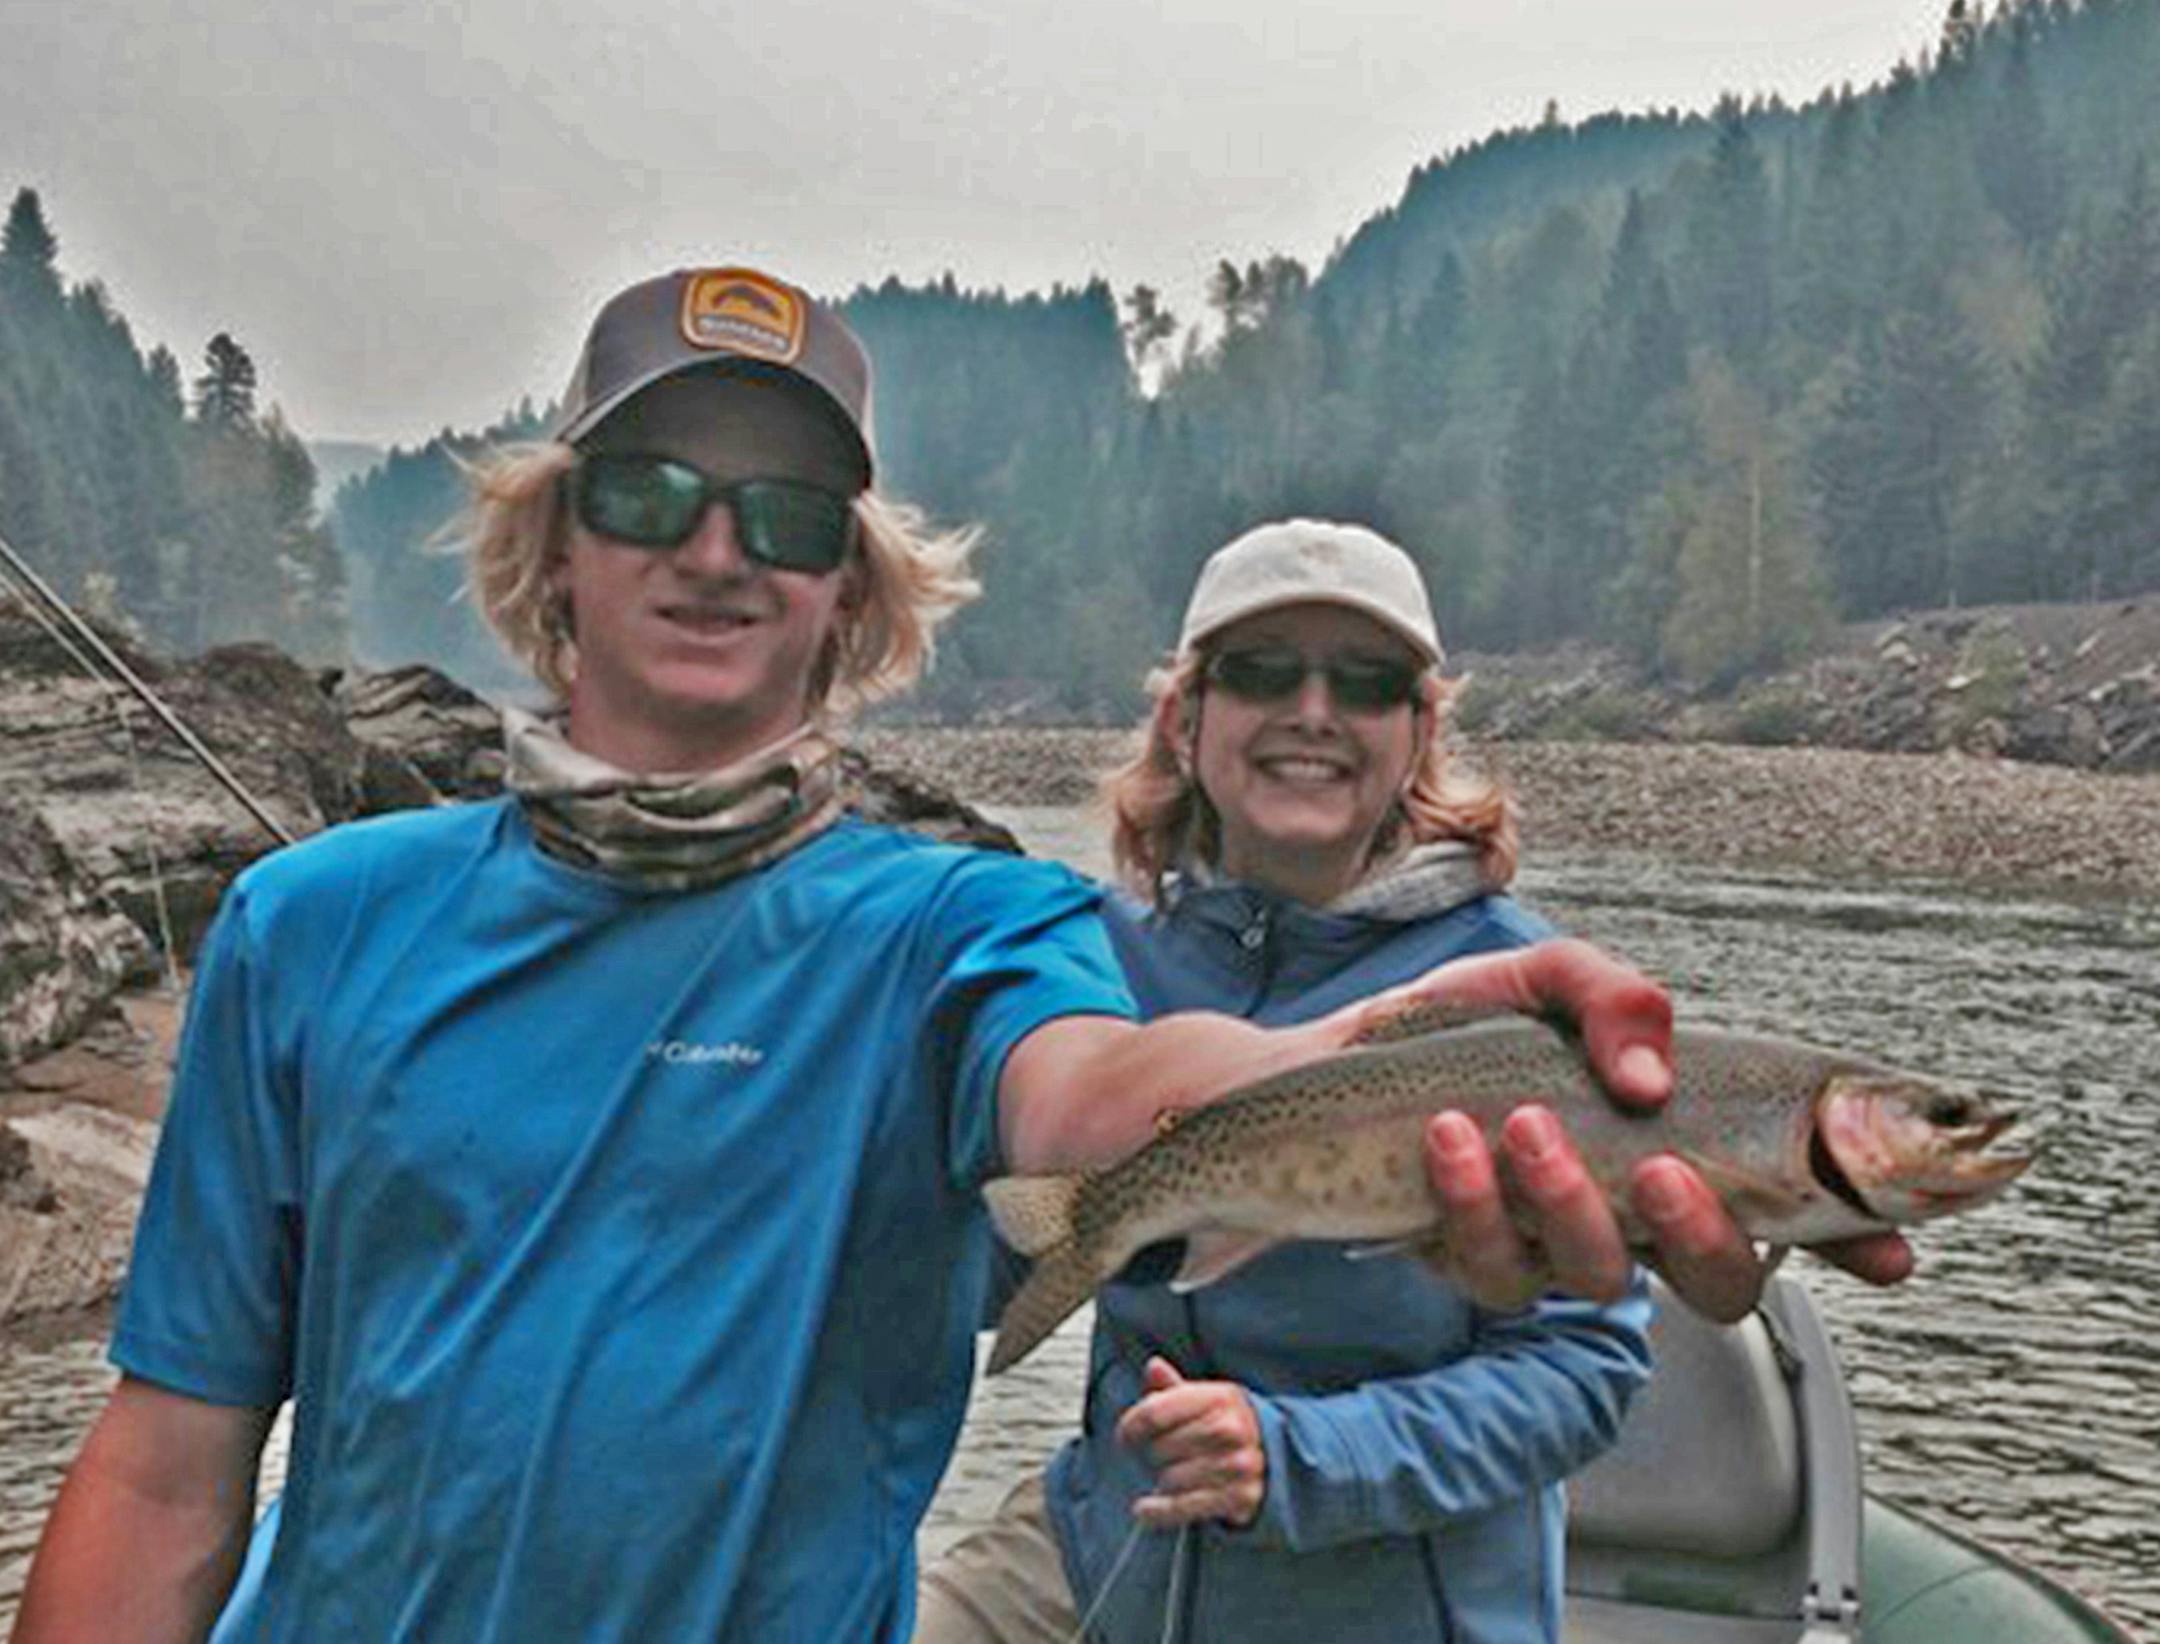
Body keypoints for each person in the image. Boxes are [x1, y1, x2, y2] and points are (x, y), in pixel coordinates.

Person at [11, 267, 1861, 1644]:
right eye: (652, 489)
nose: (719, 546)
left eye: (790, 514)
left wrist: (1374, 1061)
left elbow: (1109, 1088)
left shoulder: (972, 924)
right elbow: (173, 1459)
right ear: (553, 546)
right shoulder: (307, 921)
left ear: (849, 596)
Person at [916, 520, 1658, 1644]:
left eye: (1364, 683)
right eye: (1263, 671)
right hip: (1108, 1548)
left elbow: (1583, 1367)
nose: (1313, 711)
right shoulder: (1090, 965)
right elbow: (991, 1259)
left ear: (1419, 731)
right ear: (1186, 717)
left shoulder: (1520, 1003)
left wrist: (1296, 1458)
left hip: (1395, 1602)